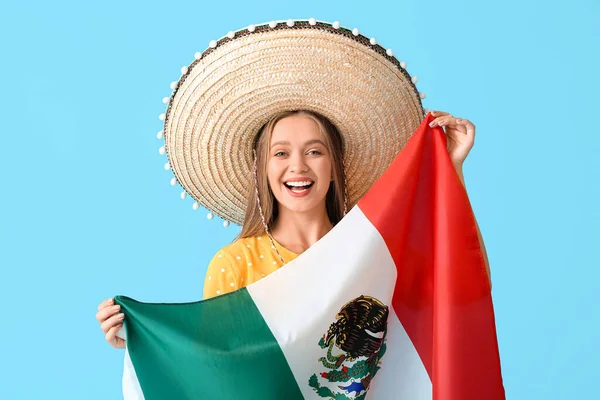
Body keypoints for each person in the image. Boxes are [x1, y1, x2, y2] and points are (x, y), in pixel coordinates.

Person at [94, 20, 490, 351]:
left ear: (335, 166)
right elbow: (213, 368)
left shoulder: (373, 252)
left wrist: (453, 172)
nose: (297, 167)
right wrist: (144, 344)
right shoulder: (235, 265)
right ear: (262, 170)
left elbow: (464, 290)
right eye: (280, 153)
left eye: (314, 151)